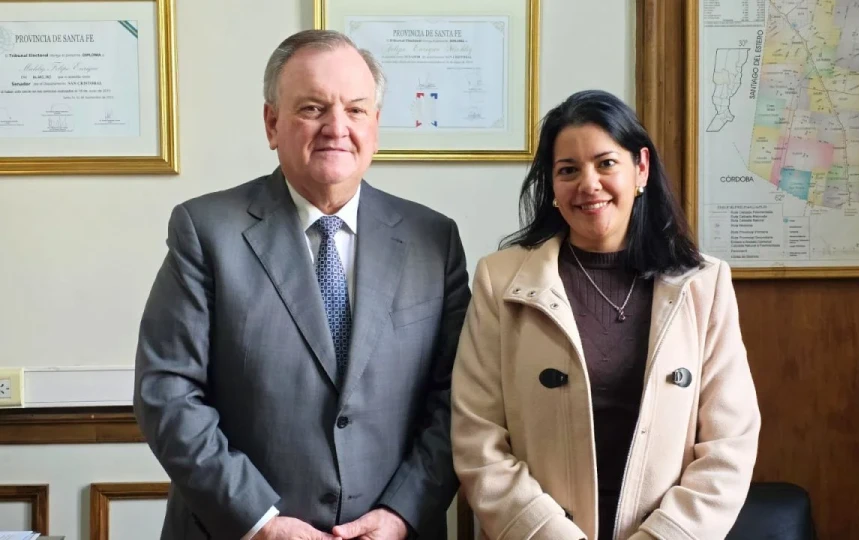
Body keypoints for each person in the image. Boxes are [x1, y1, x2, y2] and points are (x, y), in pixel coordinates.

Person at [134, 29, 470, 540]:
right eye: (313, 108)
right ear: (272, 123)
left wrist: (401, 514)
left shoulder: (434, 240)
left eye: (356, 110)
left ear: (375, 126)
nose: (337, 127)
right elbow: (168, 392)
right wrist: (261, 523)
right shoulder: (205, 231)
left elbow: (459, 396)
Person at [450, 89, 760, 540]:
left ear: (642, 169)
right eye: (568, 170)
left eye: (606, 163)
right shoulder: (500, 281)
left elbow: (729, 446)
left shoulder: (703, 284)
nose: (588, 184)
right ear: (552, 187)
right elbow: (477, 439)